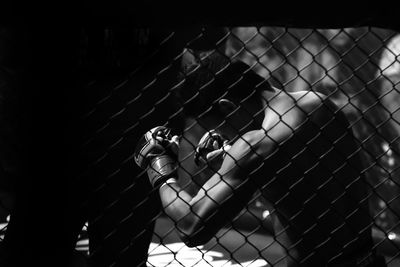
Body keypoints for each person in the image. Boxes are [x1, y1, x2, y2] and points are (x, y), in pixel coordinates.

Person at [134, 58, 387, 266]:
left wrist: (159, 165)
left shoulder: (258, 145)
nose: (231, 137)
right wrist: (233, 150)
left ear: (227, 108)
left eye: (219, 127)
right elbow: (296, 169)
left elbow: (191, 227)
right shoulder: (318, 101)